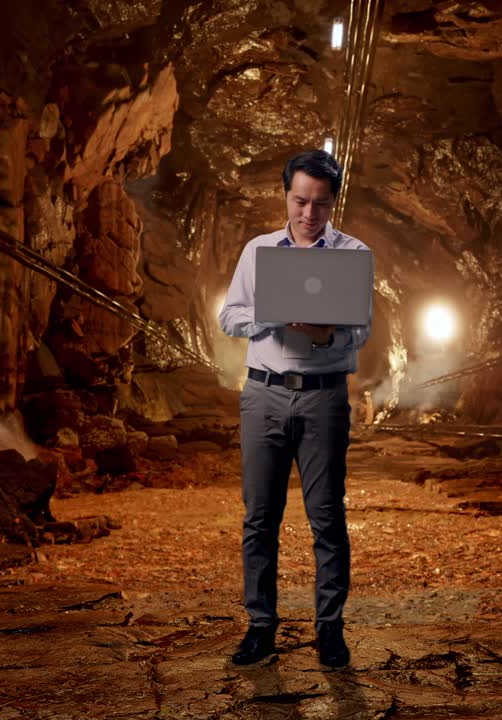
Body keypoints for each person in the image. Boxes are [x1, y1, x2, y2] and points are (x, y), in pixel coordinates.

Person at [218, 149, 372, 668]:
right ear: (285, 195)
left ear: (333, 203)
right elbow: (229, 316)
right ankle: (261, 626)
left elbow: (362, 329)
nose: (309, 214)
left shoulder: (352, 254)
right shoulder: (257, 251)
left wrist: (330, 331)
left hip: (325, 395)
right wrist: (270, 315)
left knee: (326, 517)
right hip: (263, 392)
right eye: (301, 201)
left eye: (321, 205)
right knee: (260, 517)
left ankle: (330, 629)